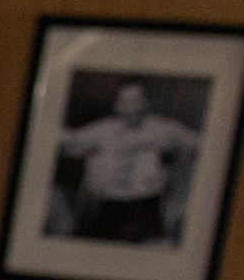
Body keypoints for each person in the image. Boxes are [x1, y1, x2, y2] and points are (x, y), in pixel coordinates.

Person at [56, 80, 198, 245]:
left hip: (144, 207)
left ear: (145, 102)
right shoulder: (101, 129)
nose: (131, 107)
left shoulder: (164, 129)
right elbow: (68, 141)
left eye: (136, 100)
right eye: (125, 101)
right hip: (105, 207)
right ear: (117, 104)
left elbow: (197, 143)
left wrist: (172, 151)